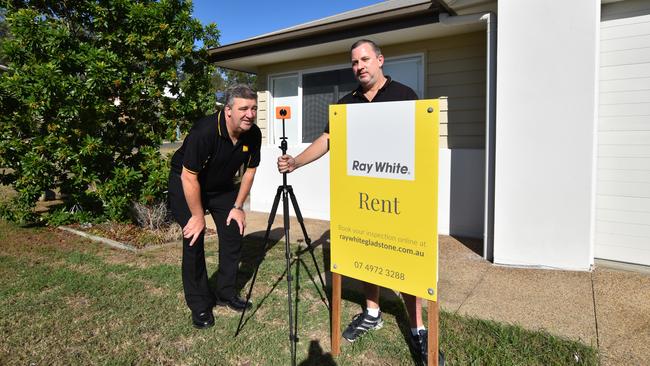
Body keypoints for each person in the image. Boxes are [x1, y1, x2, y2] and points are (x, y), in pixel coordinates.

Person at [277, 40, 430, 363]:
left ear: (380, 60)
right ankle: (372, 312)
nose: (359, 66)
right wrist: (296, 163)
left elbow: (419, 145)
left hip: (398, 196)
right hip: (362, 197)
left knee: (407, 263)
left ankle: (418, 329)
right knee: (365, 253)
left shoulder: (405, 97)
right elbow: (328, 139)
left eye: (365, 59)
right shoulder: (346, 104)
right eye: (354, 62)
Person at [168, 84, 261, 329]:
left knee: (232, 231)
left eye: (253, 108)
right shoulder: (205, 131)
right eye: (243, 108)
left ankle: (226, 293)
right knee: (193, 238)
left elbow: (250, 172)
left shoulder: (253, 134)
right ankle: (199, 305)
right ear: (228, 110)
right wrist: (198, 215)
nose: (250, 114)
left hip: (221, 187)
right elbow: (189, 177)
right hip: (187, 182)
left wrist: (238, 206)